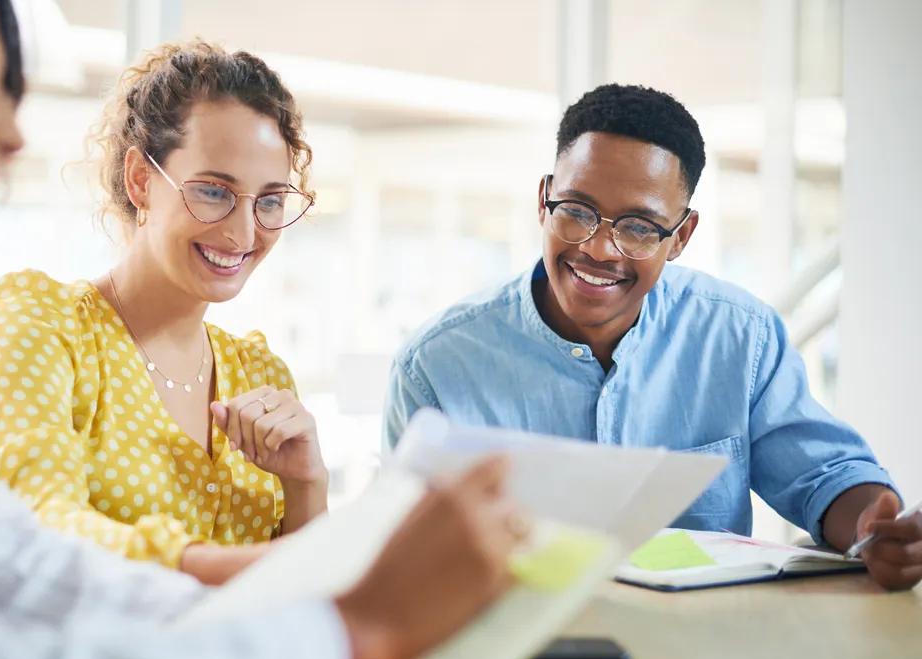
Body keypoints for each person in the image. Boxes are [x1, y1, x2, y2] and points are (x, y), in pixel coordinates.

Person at [0, 1, 526, 659]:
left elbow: (10, 562)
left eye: (271, 200)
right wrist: (350, 624)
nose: (9, 136)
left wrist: (317, 577)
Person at [383, 83, 922, 592]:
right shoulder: (434, 365)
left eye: (639, 227)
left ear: (681, 237)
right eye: (576, 212)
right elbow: (398, 553)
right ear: (544, 200)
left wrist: (880, 531)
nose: (599, 250)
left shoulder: (740, 337)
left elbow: (826, 474)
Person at [0, 42, 328, 585]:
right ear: (140, 179)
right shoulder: (41, 327)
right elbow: (36, 527)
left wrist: (307, 485)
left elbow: (306, 612)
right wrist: (224, 568)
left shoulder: (262, 375)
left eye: (269, 201)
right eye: (212, 191)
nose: (245, 232)